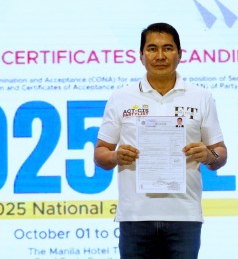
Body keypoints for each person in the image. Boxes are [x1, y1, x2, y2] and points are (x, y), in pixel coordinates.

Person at [94, 22, 227, 259]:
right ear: (141, 56)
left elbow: (220, 153)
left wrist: (209, 155)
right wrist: (115, 156)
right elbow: (101, 153)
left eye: (168, 48)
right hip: (135, 216)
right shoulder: (121, 98)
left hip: (184, 216)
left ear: (179, 54)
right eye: (152, 49)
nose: (160, 55)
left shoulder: (201, 97)